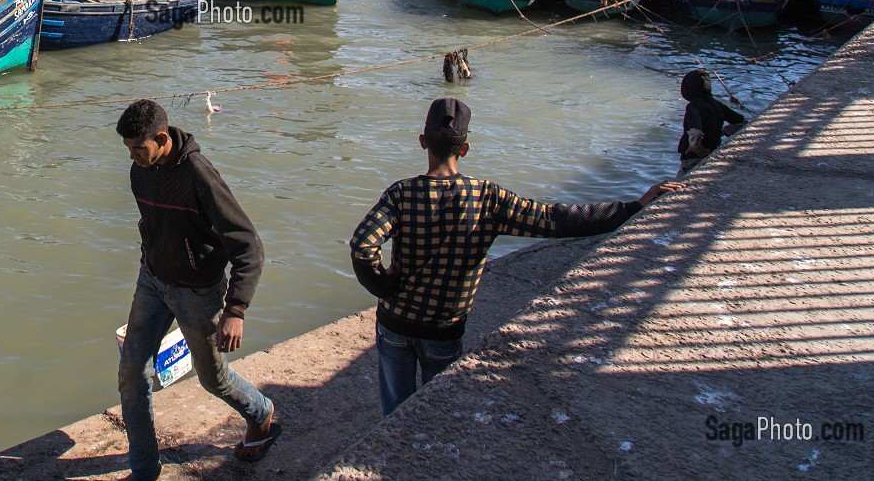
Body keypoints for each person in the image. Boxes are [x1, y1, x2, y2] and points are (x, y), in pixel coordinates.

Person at [349, 97, 685, 417]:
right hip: (443, 328)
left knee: (396, 410)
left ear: (423, 141)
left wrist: (385, 287)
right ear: (464, 149)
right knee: (438, 407)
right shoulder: (488, 198)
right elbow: (556, 219)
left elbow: (363, 247)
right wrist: (632, 207)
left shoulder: (401, 193)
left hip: (395, 322)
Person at [115, 99, 281, 480]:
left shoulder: (198, 175)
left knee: (213, 379)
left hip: (197, 292)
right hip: (153, 280)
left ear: (161, 138)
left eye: (139, 148)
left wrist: (235, 310)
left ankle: (261, 412)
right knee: (131, 373)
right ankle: (144, 470)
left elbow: (248, 245)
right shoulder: (140, 171)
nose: (133, 156)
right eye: (128, 149)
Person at [677, 69, 746, 175]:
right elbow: (742, 123)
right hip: (713, 151)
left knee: (681, 182)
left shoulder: (693, 107)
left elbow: (696, 132)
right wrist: (722, 132)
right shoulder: (717, 104)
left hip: (692, 158)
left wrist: (695, 146)